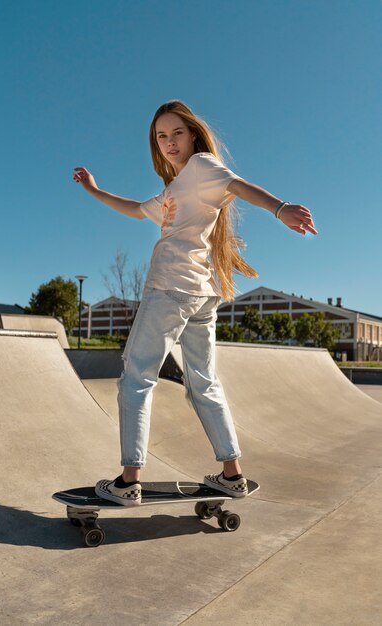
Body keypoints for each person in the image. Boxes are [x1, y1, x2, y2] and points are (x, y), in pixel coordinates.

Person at [73, 100, 317, 506]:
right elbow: (136, 210)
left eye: (177, 133)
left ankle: (129, 481)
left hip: (170, 289)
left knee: (136, 378)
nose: (169, 143)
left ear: (194, 135)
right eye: (161, 137)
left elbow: (238, 185)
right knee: (203, 383)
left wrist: (279, 208)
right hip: (202, 294)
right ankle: (232, 475)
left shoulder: (203, 166)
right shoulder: (177, 187)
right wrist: (93, 189)